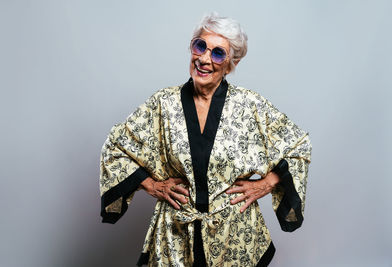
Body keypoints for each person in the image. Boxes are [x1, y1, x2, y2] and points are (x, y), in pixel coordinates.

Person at [99, 13, 312, 267]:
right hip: (175, 236)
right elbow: (115, 147)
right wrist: (152, 186)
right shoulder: (163, 104)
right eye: (200, 46)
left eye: (218, 53)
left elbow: (299, 146)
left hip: (233, 237)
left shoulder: (250, 105)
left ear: (231, 63)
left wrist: (265, 184)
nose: (204, 59)